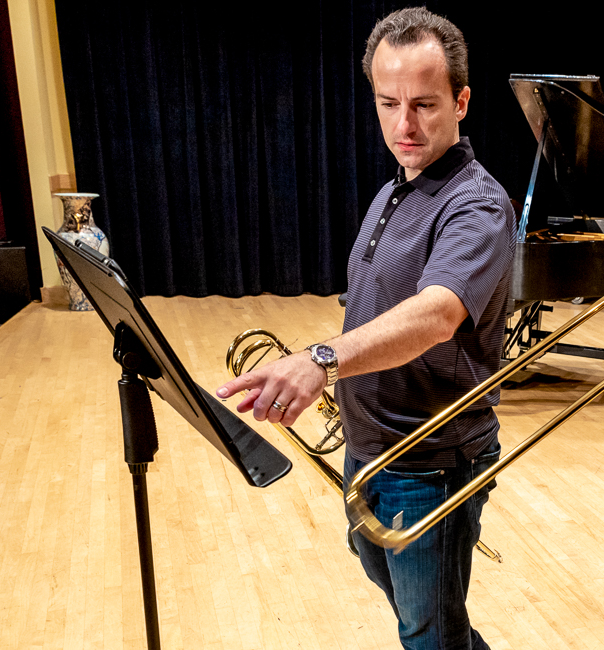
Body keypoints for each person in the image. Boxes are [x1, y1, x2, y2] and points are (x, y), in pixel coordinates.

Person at [217, 7, 514, 649]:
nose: (404, 125)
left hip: (430, 459)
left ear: (462, 101)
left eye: (425, 105)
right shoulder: (392, 193)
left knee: (427, 631)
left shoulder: (478, 202)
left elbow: (437, 314)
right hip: (370, 446)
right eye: (389, 103)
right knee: (431, 621)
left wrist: (319, 360)